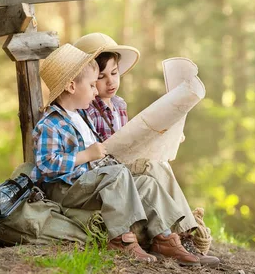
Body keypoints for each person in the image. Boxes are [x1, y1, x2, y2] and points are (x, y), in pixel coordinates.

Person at [30, 43, 199, 266]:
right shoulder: (50, 124)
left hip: (91, 181)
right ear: (71, 86)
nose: (95, 91)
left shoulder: (80, 117)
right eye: (92, 85)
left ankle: (164, 237)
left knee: (147, 184)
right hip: (67, 188)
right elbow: (47, 166)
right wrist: (86, 155)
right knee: (118, 174)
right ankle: (122, 239)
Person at [73, 33, 220, 267]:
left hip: (125, 161)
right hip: (108, 169)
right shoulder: (84, 107)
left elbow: (131, 137)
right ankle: (176, 235)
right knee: (152, 167)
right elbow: (102, 147)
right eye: (100, 78)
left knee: (161, 163)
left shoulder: (119, 104)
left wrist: (162, 137)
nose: (110, 82)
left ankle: (181, 235)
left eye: (114, 73)